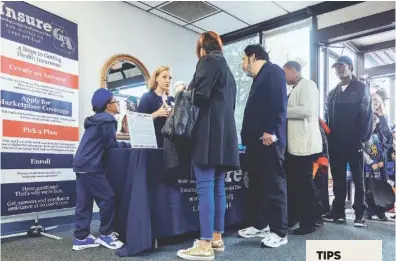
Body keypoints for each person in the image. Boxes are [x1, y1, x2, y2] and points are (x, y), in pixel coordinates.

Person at [176, 31, 240, 261]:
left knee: (204, 186)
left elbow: (200, 96)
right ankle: (215, 237)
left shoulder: (208, 61)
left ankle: (203, 245)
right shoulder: (227, 70)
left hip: (208, 135)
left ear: (202, 48)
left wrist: (181, 92)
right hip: (225, 137)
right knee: (218, 186)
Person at [238, 44, 288, 248]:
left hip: (268, 139)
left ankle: (279, 231)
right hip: (255, 142)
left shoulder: (273, 71)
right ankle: (260, 225)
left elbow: (279, 104)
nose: (243, 65)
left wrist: (271, 130)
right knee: (257, 185)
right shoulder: (258, 79)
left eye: (243, 60)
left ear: (252, 57)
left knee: (274, 184)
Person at [72, 88, 130, 251]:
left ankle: (81, 237)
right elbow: (110, 145)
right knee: (108, 198)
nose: (118, 104)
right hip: (92, 165)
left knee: (84, 202)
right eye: (115, 101)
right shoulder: (108, 120)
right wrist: (126, 146)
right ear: (108, 106)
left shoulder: (95, 119)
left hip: (80, 163)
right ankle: (106, 234)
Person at [323, 56, 373, 227]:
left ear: (350, 67)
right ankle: (338, 212)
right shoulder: (332, 93)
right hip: (336, 143)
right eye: (335, 67)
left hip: (354, 142)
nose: (338, 69)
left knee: (359, 179)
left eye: (341, 66)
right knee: (338, 178)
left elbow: (367, 115)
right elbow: (327, 118)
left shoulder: (361, 88)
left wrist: (362, 139)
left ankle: (360, 214)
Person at [282, 61, 323, 235]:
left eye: (285, 72)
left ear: (292, 70)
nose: (284, 77)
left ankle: (309, 223)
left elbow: (306, 111)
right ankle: (295, 218)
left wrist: (281, 109)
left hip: (304, 144)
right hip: (294, 146)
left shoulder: (308, 85)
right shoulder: (296, 88)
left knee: (304, 185)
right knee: (295, 184)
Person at [137, 66, 174, 148]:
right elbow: (139, 122)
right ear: (156, 78)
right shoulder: (147, 97)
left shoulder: (172, 100)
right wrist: (156, 114)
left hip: (171, 145)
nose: (168, 81)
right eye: (164, 77)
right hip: (153, 144)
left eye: (170, 78)